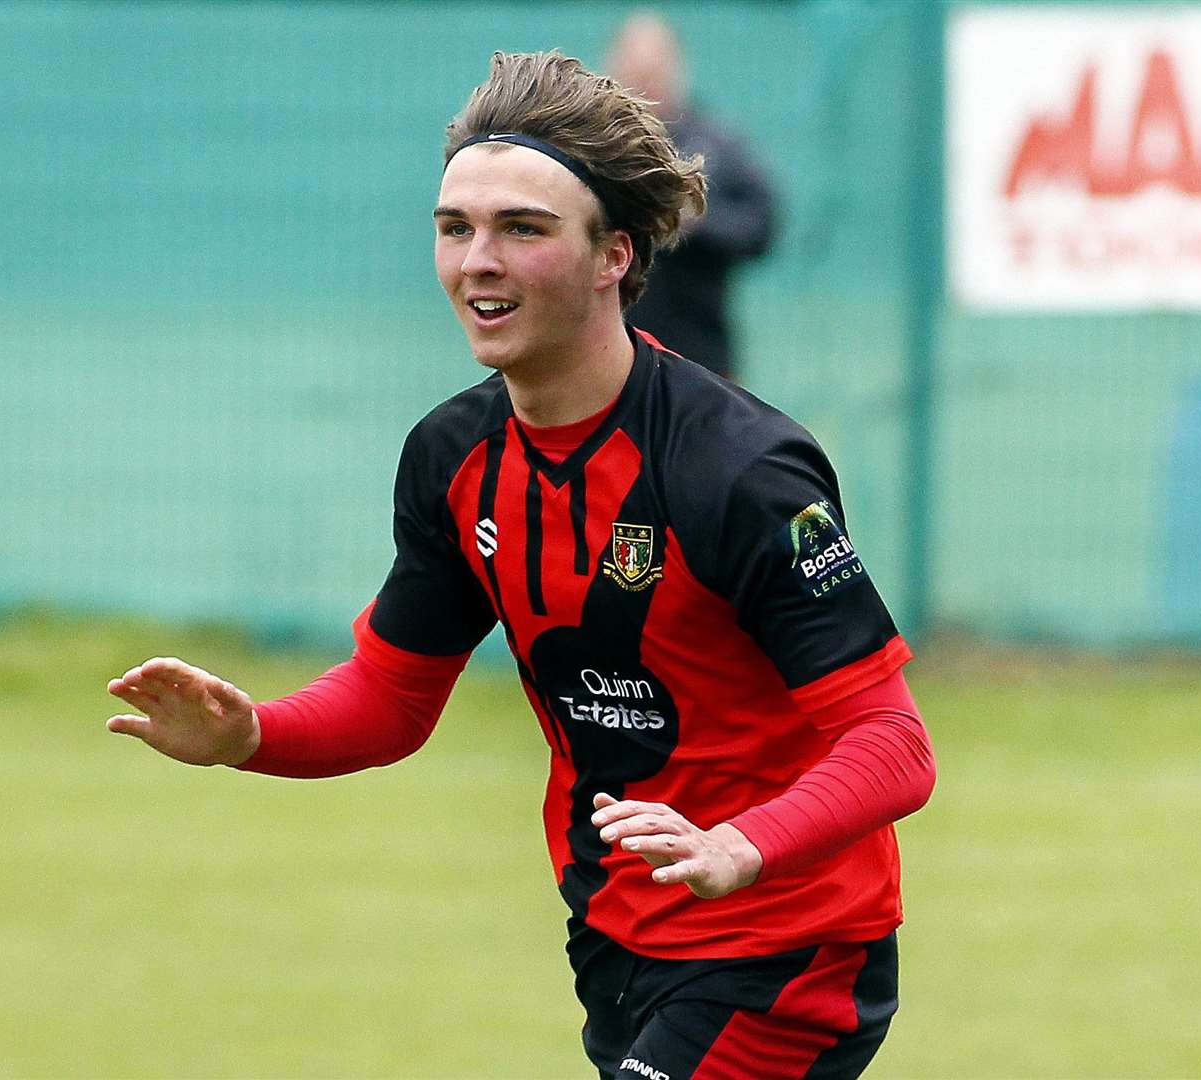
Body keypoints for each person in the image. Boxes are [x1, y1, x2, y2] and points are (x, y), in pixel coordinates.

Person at [106, 50, 934, 1080]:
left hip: (784, 951)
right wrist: (253, 734)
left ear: (613, 257)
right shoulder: (454, 458)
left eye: (522, 230)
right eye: (456, 229)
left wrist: (739, 845)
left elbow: (894, 745)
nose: (477, 261)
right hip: (617, 938)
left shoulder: (739, 470)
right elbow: (393, 695)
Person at [608, 11, 777, 381]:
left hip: (699, 356)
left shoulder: (716, 144)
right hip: (608, 357)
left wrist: (693, 222)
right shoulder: (595, 149)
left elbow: (760, 226)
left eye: (653, 68)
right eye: (636, 68)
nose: (644, 80)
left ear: (676, 66)